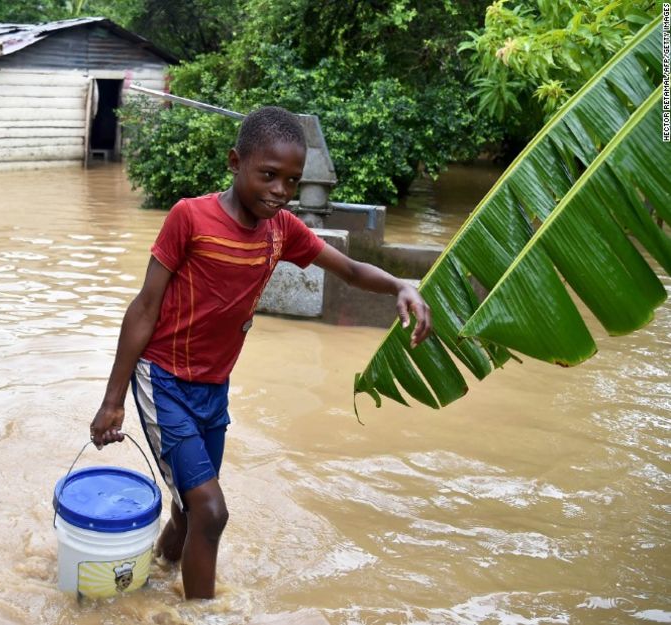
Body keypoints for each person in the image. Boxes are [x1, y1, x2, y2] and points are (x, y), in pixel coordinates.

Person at [89, 106, 432, 600]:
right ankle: (200, 613)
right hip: (162, 379)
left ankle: (156, 574)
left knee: (190, 509)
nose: (279, 191)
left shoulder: (282, 231)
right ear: (235, 162)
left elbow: (351, 271)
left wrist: (401, 284)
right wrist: (112, 400)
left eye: (291, 181)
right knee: (211, 510)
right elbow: (144, 308)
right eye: (268, 175)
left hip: (213, 389)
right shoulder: (191, 217)